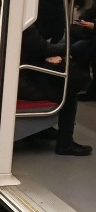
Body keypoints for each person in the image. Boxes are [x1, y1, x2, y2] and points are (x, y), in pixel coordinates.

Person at [18, 24, 92, 156]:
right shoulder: (26, 27)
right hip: (23, 83)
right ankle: (65, 144)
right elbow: (43, 48)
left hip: (19, 77)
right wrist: (67, 49)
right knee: (68, 94)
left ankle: (39, 131)